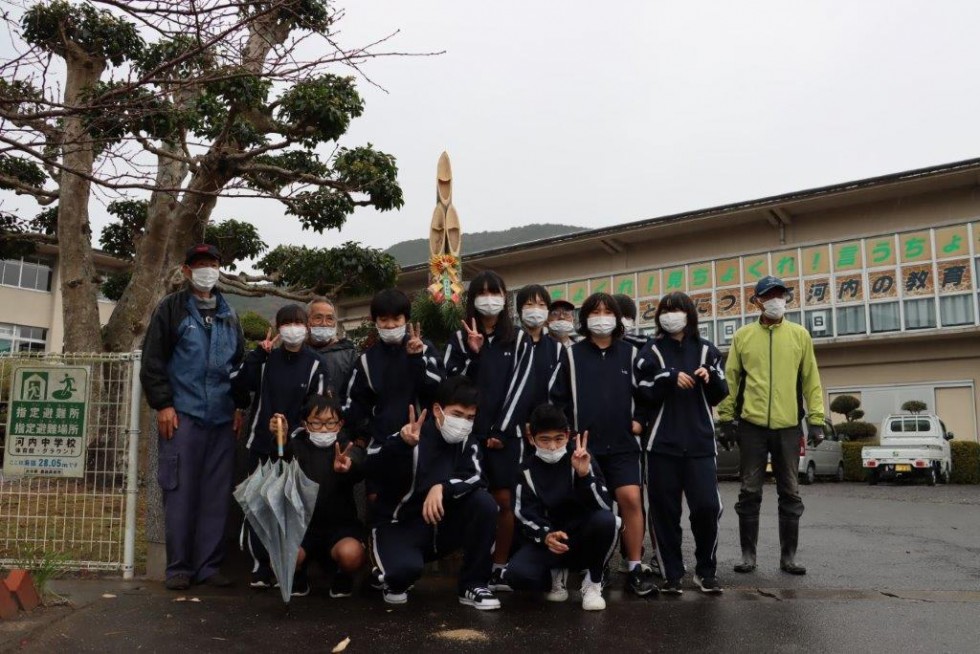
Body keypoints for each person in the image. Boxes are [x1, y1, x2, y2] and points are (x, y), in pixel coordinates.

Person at [141, 243, 247, 591]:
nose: (207, 269)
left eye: (213, 263)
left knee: (217, 494)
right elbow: (153, 361)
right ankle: (179, 568)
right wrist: (163, 405)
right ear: (187, 271)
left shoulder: (230, 314)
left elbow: (238, 368)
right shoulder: (171, 310)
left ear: (220, 269)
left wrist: (238, 406)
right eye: (199, 264)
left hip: (221, 417)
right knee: (180, 492)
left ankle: (208, 566)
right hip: (182, 416)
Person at [717, 275, 826, 576]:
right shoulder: (742, 337)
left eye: (781, 294)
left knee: (790, 491)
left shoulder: (800, 335)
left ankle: (788, 558)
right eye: (770, 295)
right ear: (758, 301)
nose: (777, 300)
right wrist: (726, 419)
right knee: (749, 490)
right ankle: (748, 556)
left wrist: (816, 420)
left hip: (789, 425)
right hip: (751, 425)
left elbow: (811, 380)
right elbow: (731, 379)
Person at [551, 292, 655, 596]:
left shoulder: (632, 354)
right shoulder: (571, 355)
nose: (601, 317)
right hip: (587, 448)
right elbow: (557, 399)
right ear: (585, 319)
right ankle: (598, 568)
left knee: (631, 501)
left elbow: (649, 394)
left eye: (607, 311)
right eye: (595, 311)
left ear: (617, 318)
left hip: (623, 446)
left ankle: (634, 566)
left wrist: (641, 420)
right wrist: (567, 434)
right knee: (596, 508)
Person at [367, 376, 501, 610]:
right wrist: (401, 444)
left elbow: (478, 476)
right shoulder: (411, 435)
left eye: (470, 417)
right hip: (401, 524)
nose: (463, 423)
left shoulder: (467, 442)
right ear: (438, 410)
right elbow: (376, 471)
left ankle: (473, 583)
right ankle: (390, 575)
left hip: (442, 525)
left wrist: (442, 487)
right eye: (457, 414)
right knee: (401, 576)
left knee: (484, 503)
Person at [343, 288, 444, 588]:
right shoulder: (366, 360)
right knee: (377, 502)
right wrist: (361, 433)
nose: (390, 326)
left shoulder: (423, 348)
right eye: (383, 320)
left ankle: (406, 565)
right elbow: (352, 402)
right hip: (383, 445)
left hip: (421, 445)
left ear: (406, 319)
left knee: (417, 504)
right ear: (375, 322)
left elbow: (438, 389)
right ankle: (381, 566)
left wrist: (416, 359)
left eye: (395, 319)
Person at [444, 271, 534, 591]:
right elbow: (451, 385)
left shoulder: (520, 339)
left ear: (504, 296)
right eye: (480, 293)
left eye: (493, 291)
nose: (488, 298)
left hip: (504, 437)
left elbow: (522, 386)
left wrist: (502, 429)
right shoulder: (459, 338)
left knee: (504, 500)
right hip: (467, 435)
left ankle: (499, 566)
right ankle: (475, 569)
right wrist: (474, 353)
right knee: (474, 501)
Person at [635, 292, 729, 594]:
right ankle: (671, 574)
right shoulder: (651, 351)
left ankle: (706, 571)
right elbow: (642, 389)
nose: (671, 315)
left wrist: (709, 377)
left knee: (706, 507)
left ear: (690, 315)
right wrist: (668, 376)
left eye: (677, 310)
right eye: (666, 310)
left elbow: (720, 391)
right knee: (664, 512)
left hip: (700, 443)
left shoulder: (708, 351)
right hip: (661, 444)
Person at [233, 303, 330, 588]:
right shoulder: (265, 359)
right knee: (258, 506)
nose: (293, 329)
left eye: (298, 323)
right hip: (261, 444)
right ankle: (262, 566)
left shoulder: (315, 364)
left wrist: (293, 432)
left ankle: (290, 566)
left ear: (307, 327)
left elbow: (319, 406)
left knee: (290, 507)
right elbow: (240, 386)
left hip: (297, 448)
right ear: (277, 328)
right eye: (286, 323)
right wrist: (256, 355)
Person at [508, 405, 618, 611]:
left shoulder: (581, 458)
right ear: (532, 439)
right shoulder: (525, 471)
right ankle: (555, 576)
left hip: (581, 537)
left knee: (607, 521)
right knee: (517, 575)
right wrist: (546, 535)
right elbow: (524, 515)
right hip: (549, 541)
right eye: (544, 439)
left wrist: (585, 476)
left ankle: (593, 583)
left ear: (568, 435)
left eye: (559, 438)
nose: (552, 446)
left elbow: (605, 505)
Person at [279, 394, 367, 598]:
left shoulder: (345, 445)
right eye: (316, 423)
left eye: (330, 423)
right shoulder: (297, 445)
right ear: (305, 424)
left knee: (351, 554)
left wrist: (347, 467)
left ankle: (342, 576)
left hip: (340, 528)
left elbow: (358, 462)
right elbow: (280, 462)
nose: (324, 429)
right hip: (303, 527)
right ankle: (298, 577)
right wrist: (280, 440)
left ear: (340, 423)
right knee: (283, 552)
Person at [516, 284, 563, 412]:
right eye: (529, 304)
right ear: (520, 311)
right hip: (513, 423)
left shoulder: (557, 349)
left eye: (541, 305)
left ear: (547, 311)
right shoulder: (511, 344)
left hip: (546, 423)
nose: (536, 309)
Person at [307, 296, 359, 398]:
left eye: (329, 319)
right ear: (307, 322)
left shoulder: (349, 355)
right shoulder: (298, 353)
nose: (324, 324)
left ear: (335, 323)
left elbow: (357, 394)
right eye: (318, 318)